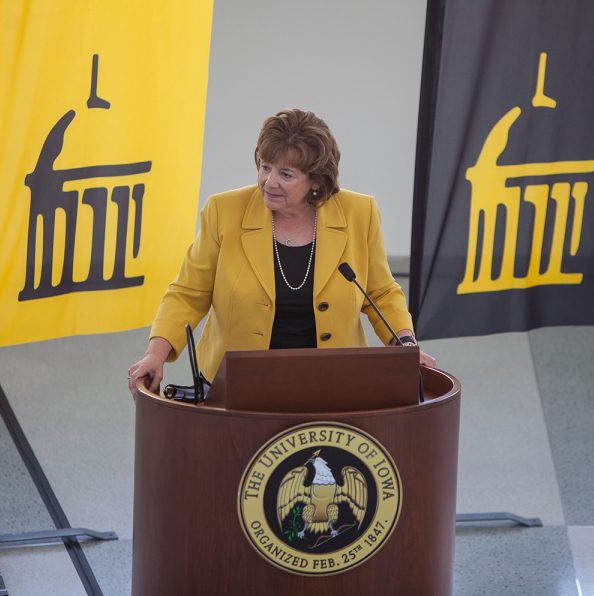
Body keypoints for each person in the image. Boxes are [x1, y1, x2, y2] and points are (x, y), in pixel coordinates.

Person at [128, 108, 435, 396]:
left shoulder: (359, 213)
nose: (269, 182)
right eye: (265, 167)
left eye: (286, 174)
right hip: (238, 385)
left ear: (315, 180)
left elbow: (380, 293)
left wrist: (406, 344)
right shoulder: (224, 212)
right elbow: (187, 293)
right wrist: (155, 354)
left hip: (332, 385)